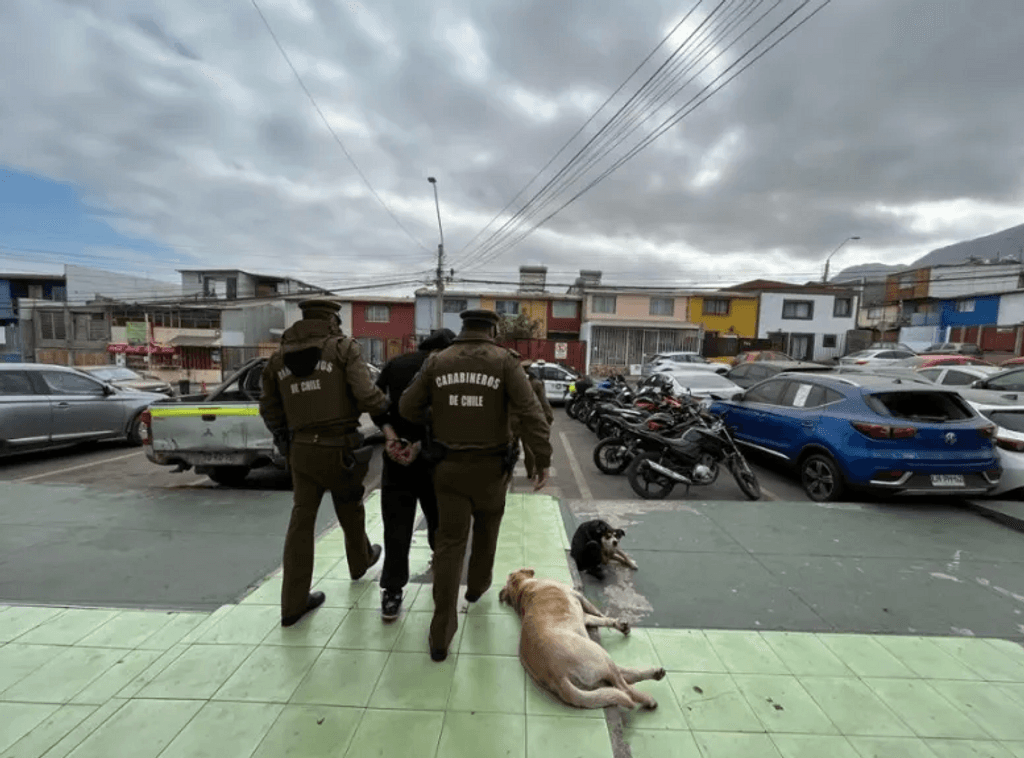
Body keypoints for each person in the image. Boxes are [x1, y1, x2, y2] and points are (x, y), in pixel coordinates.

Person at [399, 308, 553, 661]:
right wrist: (542, 458)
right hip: (491, 468)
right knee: (487, 527)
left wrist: (436, 414)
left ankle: (440, 635)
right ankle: (478, 587)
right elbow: (531, 413)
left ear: (463, 328)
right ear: (492, 330)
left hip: (448, 467)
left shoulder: (438, 361)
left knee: (449, 545)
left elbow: (408, 406)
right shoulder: (504, 362)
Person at [259, 298, 388, 627]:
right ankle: (360, 561)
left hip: (300, 449)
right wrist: (389, 411)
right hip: (339, 446)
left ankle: (292, 604)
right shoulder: (343, 349)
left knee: (301, 521)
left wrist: (284, 439)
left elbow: (269, 409)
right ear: (332, 319)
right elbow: (365, 394)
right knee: (349, 505)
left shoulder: (277, 359)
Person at [370, 328, 455, 621]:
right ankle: (444, 589)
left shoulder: (395, 365)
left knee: (396, 528)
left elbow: (376, 403)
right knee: (440, 527)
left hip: (396, 458)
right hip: (434, 462)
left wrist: (390, 435)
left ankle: (392, 593)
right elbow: (447, 416)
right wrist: (421, 444)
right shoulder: (446, 367)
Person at [515, 360, 554, 480]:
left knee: (523, 448)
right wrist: (548, 416)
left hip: (518, 419)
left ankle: (529, 471)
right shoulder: (536, 383)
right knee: (534, 446)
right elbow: (544, 402)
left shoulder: (516, 383)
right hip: (534, 418)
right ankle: (535, 470)